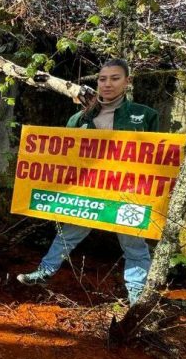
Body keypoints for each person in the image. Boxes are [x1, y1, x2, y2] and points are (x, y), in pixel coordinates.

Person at [16, 59, 158, 304]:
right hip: (87, 191)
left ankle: (136, 296)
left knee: (133, 243)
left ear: (127, 82)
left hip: (128, 193)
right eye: (102, 79)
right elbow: (65, 159)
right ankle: (45, 272)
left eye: (115, 78)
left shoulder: (145, 115)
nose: (107, 84)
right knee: (67, 234)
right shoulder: (78, 119)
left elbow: (157, 159)